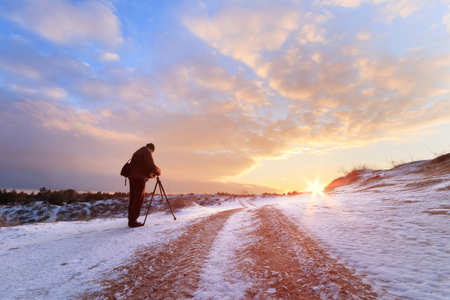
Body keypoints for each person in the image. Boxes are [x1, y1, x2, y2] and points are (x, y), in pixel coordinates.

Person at [127, 143, 161, 228]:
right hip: (139, 179)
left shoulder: (137, 152)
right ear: (151, 149)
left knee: (133, 198)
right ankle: (133, 221)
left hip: (132, 177)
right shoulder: (146, 152)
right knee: (139, 198)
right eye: (152, 152)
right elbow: (151, 165)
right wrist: (159, 171)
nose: (151, 153)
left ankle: (131, 219)